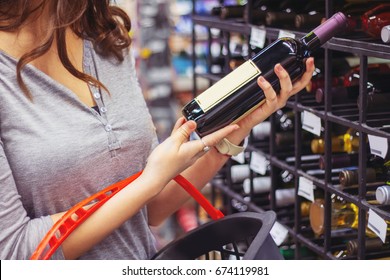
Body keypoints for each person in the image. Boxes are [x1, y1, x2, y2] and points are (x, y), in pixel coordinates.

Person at [0, 0, 315, 260]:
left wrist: (234, 133)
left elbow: (151, 208)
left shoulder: (105, 35)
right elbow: (14, 252)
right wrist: (150, 180)